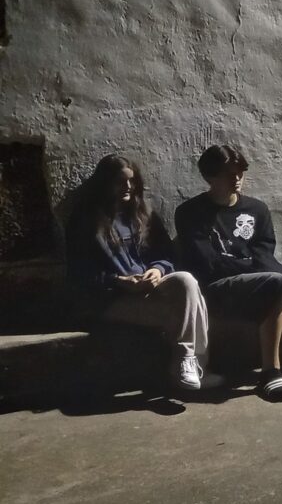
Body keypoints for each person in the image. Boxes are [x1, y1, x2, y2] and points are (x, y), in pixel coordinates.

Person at [174, 144, 282, 402]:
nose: (236, 178)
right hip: (217, 286)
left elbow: (264, 253)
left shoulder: (257, 209)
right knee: (274, 281)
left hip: (260, 275)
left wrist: (278, 276)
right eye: (228, 173)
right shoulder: (190, 213)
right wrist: (266, 273)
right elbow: (209, 263)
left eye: (240, 172)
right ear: (209, 176)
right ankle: (270, 371)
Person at [65, 154, 210, 393]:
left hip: (149, 288)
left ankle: (187, 364)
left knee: (187, 280)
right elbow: (79, 274)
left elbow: (166, 254)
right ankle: (194, 367)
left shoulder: (143, 213)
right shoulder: (86, 221)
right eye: (120, 181)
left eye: (132, 181)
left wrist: (157, 269)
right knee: (191, 309)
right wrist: (118, 281)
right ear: (105, 183)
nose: (128, 187)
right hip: (112, 299)